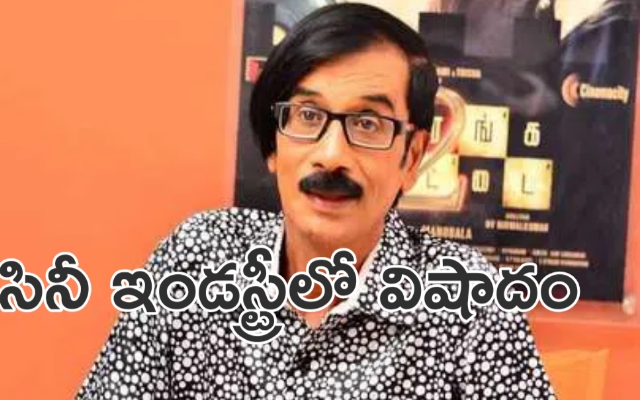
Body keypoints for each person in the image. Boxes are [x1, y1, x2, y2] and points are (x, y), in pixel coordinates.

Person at [75, 4, 557, 399]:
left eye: (367, 124)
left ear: (411, 157)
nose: (331, 155)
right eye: (307, 115)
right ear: (273, 144)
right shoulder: (197, 257)